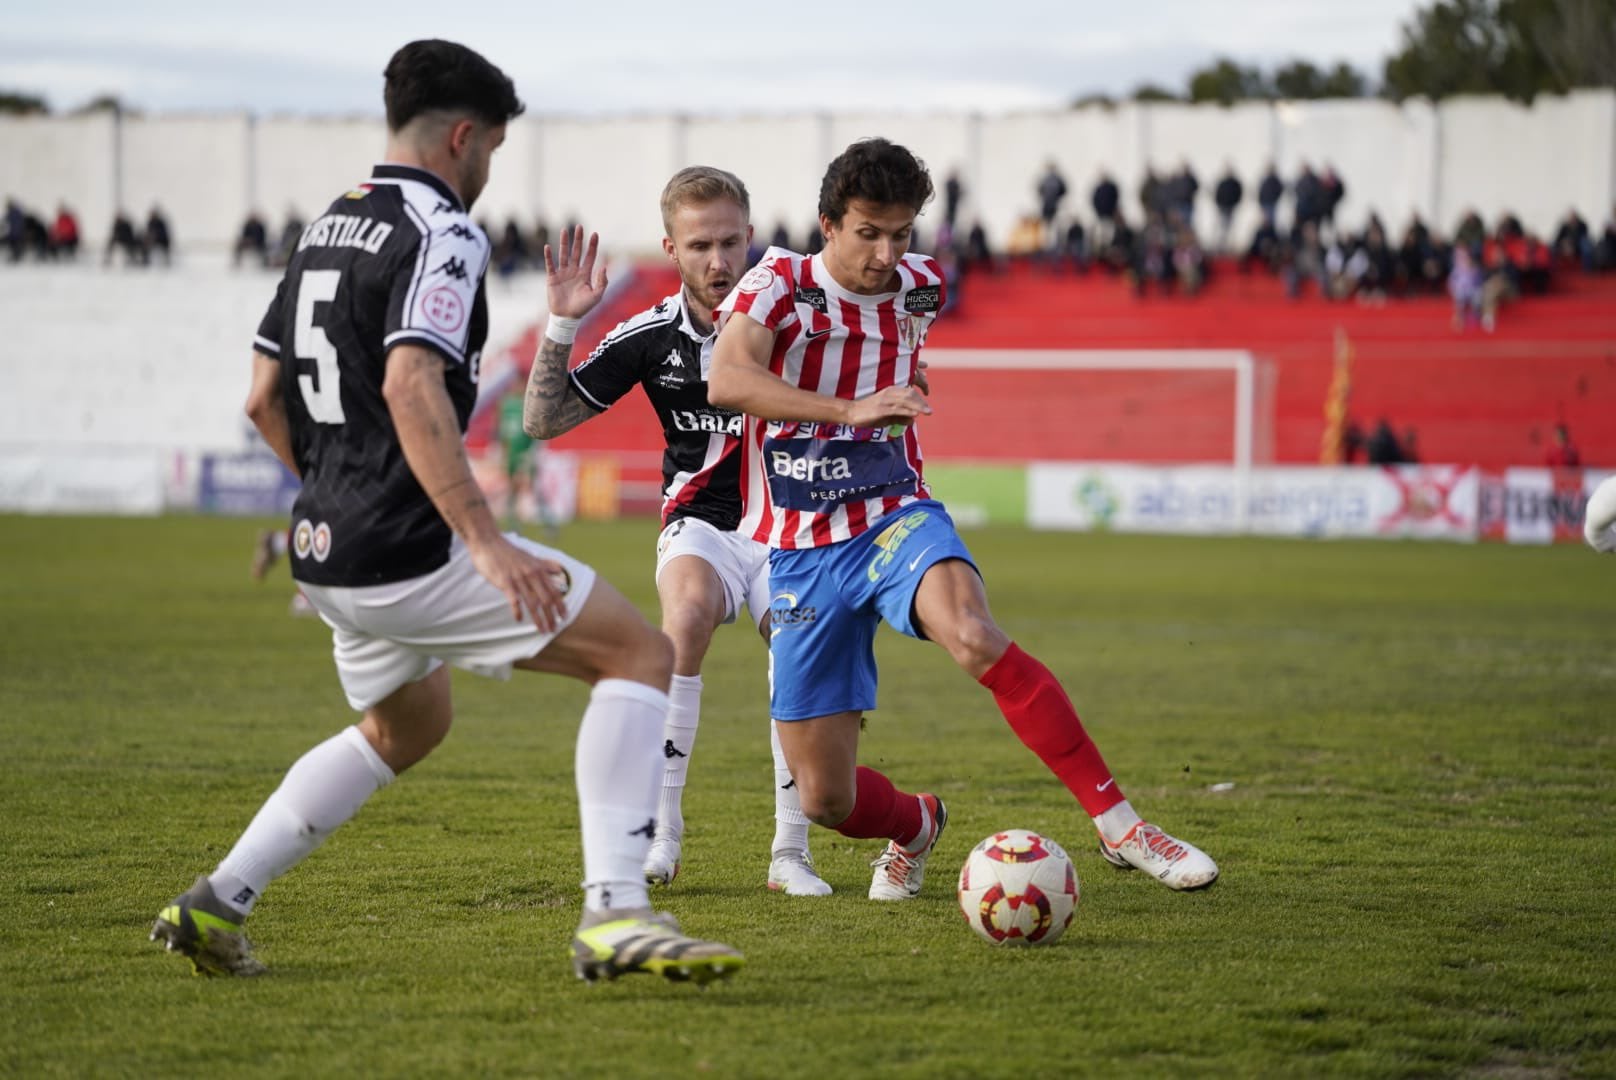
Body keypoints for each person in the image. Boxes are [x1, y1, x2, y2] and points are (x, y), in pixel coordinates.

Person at [149, 38, 741, 987]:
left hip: (325, 547)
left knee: (406, 728)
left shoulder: (323, 229)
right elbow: (412, 382)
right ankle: (616, 912)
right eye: (493, 151)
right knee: (639, 655)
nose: (487, 172)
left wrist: (337, 496)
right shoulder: (442, 231)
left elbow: (263, 397)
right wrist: (483, 540)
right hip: (407, 546)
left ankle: (216, 899)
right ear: (464, 137)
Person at [707, 137, 1218, 903]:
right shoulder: (779, 280)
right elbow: (728, 379)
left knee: (974, 634)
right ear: (827, 224)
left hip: (893, 516)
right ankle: (915, 825)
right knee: (825, 799)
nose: (886, 254)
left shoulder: (923, 288)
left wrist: (895, 397)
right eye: (868, 232)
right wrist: (849, 409)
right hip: (801, 551)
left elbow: (902, 364)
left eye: (902, 233)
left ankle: (1121, 826)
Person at [522, 168, 830, 897]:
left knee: (796, 648)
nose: (718, 261)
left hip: (790, 523)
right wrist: (564, 322)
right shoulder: (650, 336)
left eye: (730, 242)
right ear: (671, 248)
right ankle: (663, 836)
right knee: (683, 620)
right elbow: (542, 421)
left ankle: (791, 853)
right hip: (700, 524)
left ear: (751, 237)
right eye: (699, 246)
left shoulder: (793, 322)